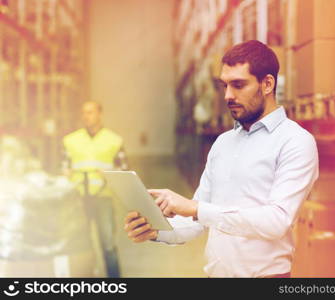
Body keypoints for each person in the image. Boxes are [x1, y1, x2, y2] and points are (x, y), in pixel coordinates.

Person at [124, 40, 319, 278]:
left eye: (238, 85)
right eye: (224, 85)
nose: (228, 95)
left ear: (267, 84)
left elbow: (277, 221)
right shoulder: (223, 143)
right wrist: (155, 231)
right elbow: (198, 221)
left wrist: (195, 208)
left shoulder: (295, 141)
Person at [63, 101, 128, 278]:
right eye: (84, 113)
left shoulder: (114, 141)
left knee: (107, 244)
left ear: (100, 114)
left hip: (103, 197)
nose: (86, 116)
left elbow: (123, 170)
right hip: (79, 198)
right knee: (82, 244)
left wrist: (110, 172)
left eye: (90, 112)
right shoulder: (71, 140)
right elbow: (65, 167)